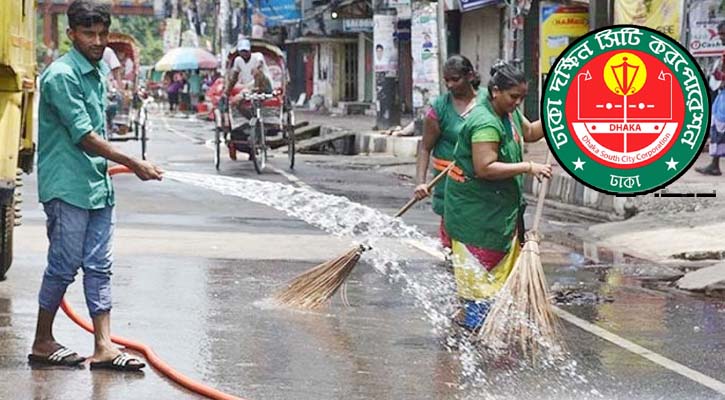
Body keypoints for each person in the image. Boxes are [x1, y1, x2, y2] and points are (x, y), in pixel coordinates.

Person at [29, 0, 163, 371]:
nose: (98, 40)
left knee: (99, 266)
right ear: (71, 34)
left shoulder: (97, 69)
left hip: (97, 184)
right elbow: (84, 136)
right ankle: (42, 340)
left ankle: (104, 346)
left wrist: (116, 165)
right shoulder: (61, 75)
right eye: (89, 33)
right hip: (68, 185)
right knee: (63, 265)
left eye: (102, 33)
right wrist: (133, 162)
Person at [444, 61, 552, 331]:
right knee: (480, 293)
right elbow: (485, 167)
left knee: (494, 292)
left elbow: (528, 133)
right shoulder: (486, 123)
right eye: (513, 97)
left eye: (522, 97)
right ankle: (473, 344)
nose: (518, 103)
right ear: (495, 91)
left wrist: (559, 117)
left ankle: (481, 335)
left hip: (499, 215)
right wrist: (529, 167)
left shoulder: (508, 114)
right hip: (477, 220)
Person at [413, 55, 484, 249]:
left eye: (455, 79)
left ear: (469, 76)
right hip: (450, 188)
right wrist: (421, 182)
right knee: (454, 248)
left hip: (482, 188)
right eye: (447, 80)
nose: (450, 85)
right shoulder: (440, 108)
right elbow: (425, 147)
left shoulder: (489, 101)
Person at [696, 21, 725, 176]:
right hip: (722, 93)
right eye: (719, 34)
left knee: (720, 126)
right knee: (717, 125)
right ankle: (714, 164)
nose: (720, 38)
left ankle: (715, 165)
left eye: (723, 34)